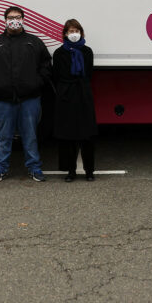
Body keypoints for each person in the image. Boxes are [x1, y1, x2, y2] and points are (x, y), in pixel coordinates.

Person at [0, 6, 52, 183]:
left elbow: (46, 65)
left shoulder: (34, 42)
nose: (14, 20)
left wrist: (37, 83)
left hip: (29, 99)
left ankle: (35, 168)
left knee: (30, 135)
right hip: (2, 100)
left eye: (18, 17)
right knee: (3, 136)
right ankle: (0, 169)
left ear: (23, 19)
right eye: (11, 17)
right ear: (5, 20)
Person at [52, 19, 98, 182]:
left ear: (81, 33)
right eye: (70, 31)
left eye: (76, 31)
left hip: (83, 93)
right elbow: (56, 75)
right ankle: (70, 170)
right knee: (67, 135)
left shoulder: (87, 51)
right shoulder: (59, 53)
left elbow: (89, 73)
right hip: (66, 94)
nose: (74, 34)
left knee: (87, 135)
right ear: (65, 33)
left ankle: (89, 170)